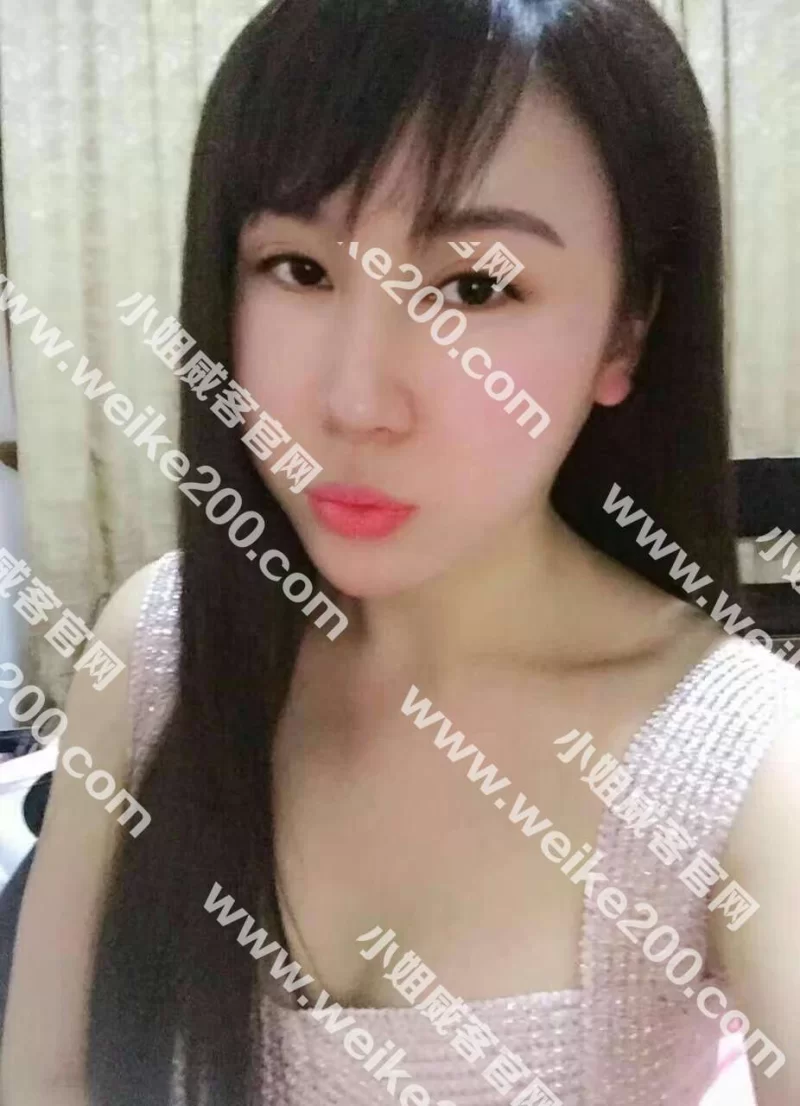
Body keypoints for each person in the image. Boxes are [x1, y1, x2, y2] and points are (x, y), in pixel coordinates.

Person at [2, 1, 798, 1103]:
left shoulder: (739, 762)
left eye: (475, 287)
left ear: (626, 329)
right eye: (297, 268)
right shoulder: (159, 649)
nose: (354, 399)